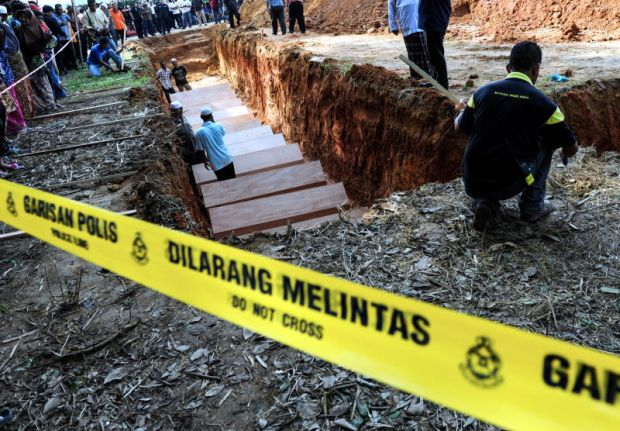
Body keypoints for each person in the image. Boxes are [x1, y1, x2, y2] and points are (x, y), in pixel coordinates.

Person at [455, 42, 579, 231]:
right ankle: (532, 206)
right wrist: (563, 151)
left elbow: (460, 127)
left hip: (472, 181)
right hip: (510, 183)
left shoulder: (481, 93)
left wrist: (461, 111)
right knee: (549, 141)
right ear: (536, 70)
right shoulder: (545, 105)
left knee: (486, 136)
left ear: (508, 68)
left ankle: (485, 202)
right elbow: (572, 148)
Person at [13, 7, 59, 113]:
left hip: (39, 62)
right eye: (20, 17)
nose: (22, 19)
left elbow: (53, 39)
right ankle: (41, 106)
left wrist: (46, 50)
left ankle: (51, 104)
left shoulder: (38, 30)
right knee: (33, 85)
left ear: (31, 19)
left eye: (25, 17)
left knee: (44, 83)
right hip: (25, 62)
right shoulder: (18, 31)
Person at [0, 5, 36, 118]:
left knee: (19, 89)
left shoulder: (4, 27)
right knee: (16, 90)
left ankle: (26, 113)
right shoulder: (5, 27)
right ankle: (24, 114)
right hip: (12, 65)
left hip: (14, 64)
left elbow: (11, 47)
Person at [388, 0, 433, 81]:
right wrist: (393, 26)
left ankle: (427, 76)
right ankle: (416, 76)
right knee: (413, 52)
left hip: (421, 21)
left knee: (425, 52)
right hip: (407, 22)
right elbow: (391, 6)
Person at [194, 106, 235, 181]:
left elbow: (201, 150)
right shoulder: (218, 125)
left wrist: (205, 161)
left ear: (201, 117)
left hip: (215, 162)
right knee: (233, 179)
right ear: (211, 115)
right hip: (227, 158)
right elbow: (223, 133)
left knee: (223, 182)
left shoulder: (198, 133)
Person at [419, 0, 450, 89]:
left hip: (434, 19)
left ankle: (442, 85)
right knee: (432, 55)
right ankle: (435, 81)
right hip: (430, 19)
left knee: (436, 55)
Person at [170, 101, 201, 165]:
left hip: (192, 144)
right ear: (173, 111)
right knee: (189, 162)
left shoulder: (183, 117)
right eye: (178, 110)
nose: (180, 111)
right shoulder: (171, 122)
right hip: (185, 149)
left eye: (181, 109)